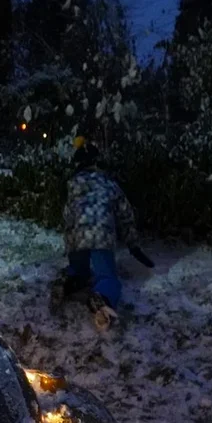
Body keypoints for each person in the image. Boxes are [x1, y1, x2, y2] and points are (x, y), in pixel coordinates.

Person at [59, 138, 148, 331]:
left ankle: (72, 279)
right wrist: (133, 243)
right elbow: (126, 214)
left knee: (80, 267)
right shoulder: (108, 184)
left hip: (76, 233)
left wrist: (69, 242)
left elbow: (67, 214)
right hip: (101, 233)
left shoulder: (73, 185)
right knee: (107, 276)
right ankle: (103, 298)